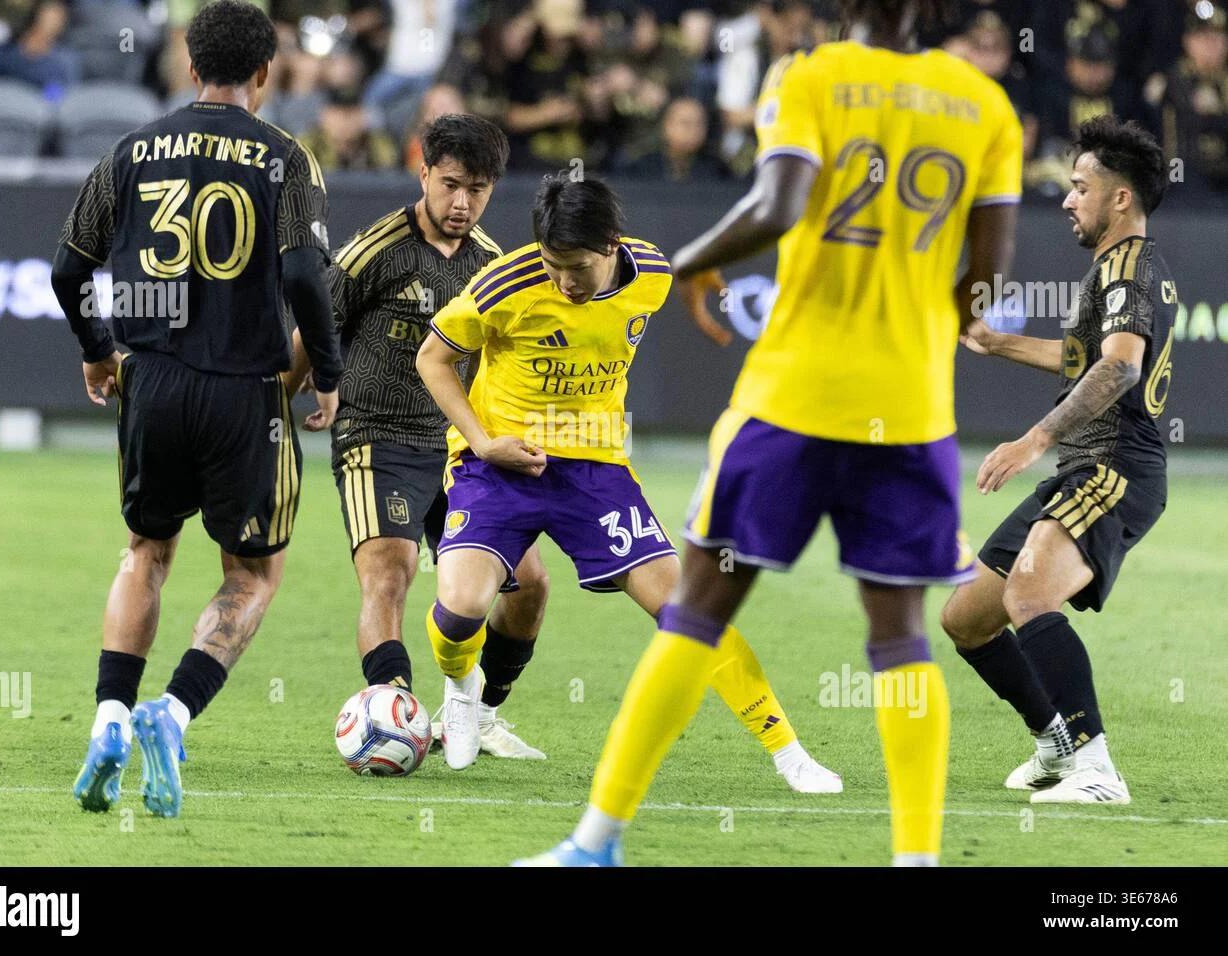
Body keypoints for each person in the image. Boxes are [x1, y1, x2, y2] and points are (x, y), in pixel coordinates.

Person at [520, 0, 1023, 866]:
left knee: (697, 612)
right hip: (909, 409)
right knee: (900, 635)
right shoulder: (985, 104)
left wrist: (690, 262)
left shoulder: (811, 75)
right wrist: (918, 326)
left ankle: (595, 842)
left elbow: (779, 201)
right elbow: (986, 280)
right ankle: (917, 860)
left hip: (793, 398)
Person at [415, 173, 842, 793]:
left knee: (688, 610)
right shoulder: (506, 285)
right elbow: (432, 357)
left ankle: (790, 754)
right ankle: (461, 693)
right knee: (462, 611)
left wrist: (701, 291)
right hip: (500, 464)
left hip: (595, 467)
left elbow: (682, 270)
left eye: (578, 267)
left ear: (612, 245)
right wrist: (482, 442)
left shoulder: (652, 273)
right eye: (553, 264)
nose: (565, 281)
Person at [54, 0, 341, 818]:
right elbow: (303, 276)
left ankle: (109, 719)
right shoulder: (286, 158)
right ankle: (173, 713)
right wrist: (327, 371)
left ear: (189, 65)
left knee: (145, 552)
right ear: (265, 73)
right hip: (244, 392)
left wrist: (98, 349)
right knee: (251, 573)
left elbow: (67, 272)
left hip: (151, 382)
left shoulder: (130, 151)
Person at [284, 112, 552, 760]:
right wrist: (275, 412)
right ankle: (394, 709)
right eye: (451, 184)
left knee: (530, 585)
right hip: (376, 436)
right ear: (423, 172)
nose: (462, 203)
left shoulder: (493, 266)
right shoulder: (375, 249)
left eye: (477, 190)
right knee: (390, 573)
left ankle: (480, 715)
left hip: (462, 448)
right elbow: (315, 326)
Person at [942, 115, 1175, 805]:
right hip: (1085, 468)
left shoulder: (1129, 266)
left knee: (1028, 593)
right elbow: (1084, 359)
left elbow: (1119, 368)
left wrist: (1033, 439)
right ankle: (1054, 741)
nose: (1068, 200)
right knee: (967, 618)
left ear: (1120, 198)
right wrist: (998, 343)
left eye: (1080, 187)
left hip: (1117, 468)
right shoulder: (1117, 266)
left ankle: (1096, 769)